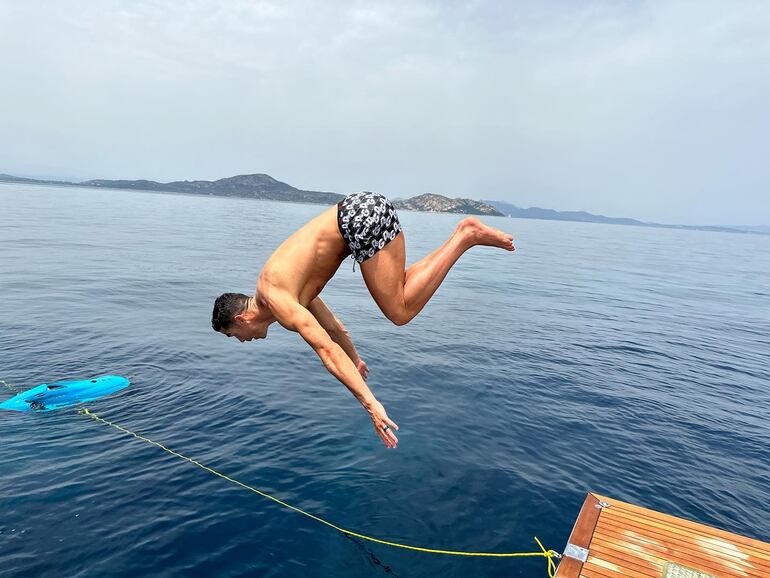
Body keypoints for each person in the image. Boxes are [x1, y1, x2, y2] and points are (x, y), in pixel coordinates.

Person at [212, 191, 514, 448]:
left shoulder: (277, 298)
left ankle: (465, 235)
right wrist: (355, 359)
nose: (240, 340)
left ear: (240, 319)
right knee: (400, 295)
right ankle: (464, 235)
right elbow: (333, 328)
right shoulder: (284, 292)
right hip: (361, 211)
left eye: (232, 335)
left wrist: (371, 405)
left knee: (400, 310)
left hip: (356, 221)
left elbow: (326, 351)